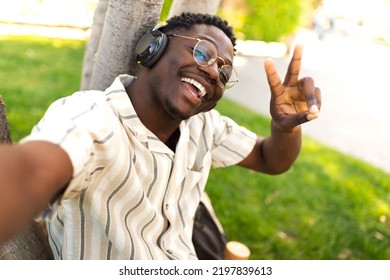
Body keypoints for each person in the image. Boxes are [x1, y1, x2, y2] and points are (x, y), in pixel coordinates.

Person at [0, 12, 321, 259]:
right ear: (152, 48)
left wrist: (285, 127)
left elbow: (271, 159)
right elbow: (32, 170)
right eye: (202, 53)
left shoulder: (205, 127)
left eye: (224, 73)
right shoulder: (94, 117)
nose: (213, 72)